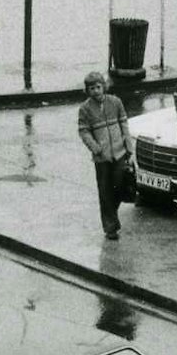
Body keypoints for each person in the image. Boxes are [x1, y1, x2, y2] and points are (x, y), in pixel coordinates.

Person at [76, 72, 132, 241]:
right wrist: (95, 147)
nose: (96, 91)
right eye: (91, 88)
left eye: (98, 87)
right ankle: (110, 227)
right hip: (101, 157)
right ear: (87, 90)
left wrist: (128, 147)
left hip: (119, 153)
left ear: (104, 87)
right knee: (105, 190)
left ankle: (111, 214)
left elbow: (124, 124)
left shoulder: (115, 102)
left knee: (120, 186)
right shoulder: (85, 109)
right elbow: (83, 131)